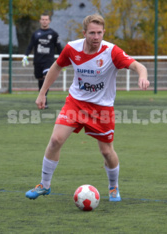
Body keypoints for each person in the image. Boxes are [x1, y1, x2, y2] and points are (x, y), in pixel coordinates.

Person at [25, 14, 150, 202]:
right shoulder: (72, 48)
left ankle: (113, 187)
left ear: (104, 32)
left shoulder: (111, 51)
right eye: (92, 33)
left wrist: (142, 76)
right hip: (76, 103)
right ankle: (44, 185)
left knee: (107, 152)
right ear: (84, 33)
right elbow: (56, 67)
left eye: (99, 33)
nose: (96, 37)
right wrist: (42, 93)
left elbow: (138, 66)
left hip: (102, 108)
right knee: (55, 140)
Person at [22, 13, 62, 108]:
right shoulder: (36, 34)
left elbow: (59, 48)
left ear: (49, 21)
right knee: (40, 80)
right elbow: (30, 46)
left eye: (46, 19)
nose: (44, 21)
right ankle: (42, 97)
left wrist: (63, 61)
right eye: (43, 19)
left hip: (48, 61)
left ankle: (44, 99)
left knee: (46, 78)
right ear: (40, 21)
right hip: (38, 61)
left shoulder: (54, 34)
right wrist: (25, 56)